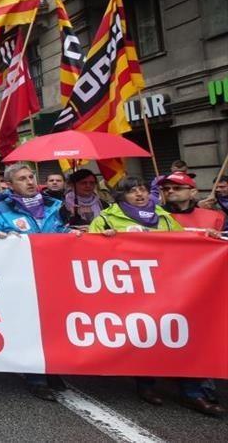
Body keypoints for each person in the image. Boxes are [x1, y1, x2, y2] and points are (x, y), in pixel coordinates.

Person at [88, 177, 222, 416]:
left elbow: (185, 244)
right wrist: (101, 241)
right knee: (143, 336)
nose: (139, 194)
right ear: (121, 196)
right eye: (131, 191)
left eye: (142, 190)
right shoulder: (105, 218)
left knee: (182, 335)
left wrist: (206, 238)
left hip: (168, 287)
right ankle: (146, 385)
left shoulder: (164, 216)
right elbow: (86, 251)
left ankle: (192, 392)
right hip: (130, 289)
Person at [0, 163, 73, 401]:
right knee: (29, 327)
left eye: (32, 176)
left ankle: (52, 369)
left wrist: (73, 235)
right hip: (19, 280)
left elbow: (63, 232)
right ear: (10, 185)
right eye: (22, 179)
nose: (30, 181)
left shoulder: (56, 205)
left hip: (53, 277)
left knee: (54, 327)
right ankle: (35, 377)